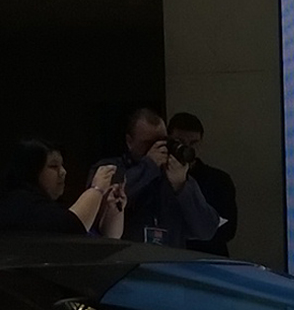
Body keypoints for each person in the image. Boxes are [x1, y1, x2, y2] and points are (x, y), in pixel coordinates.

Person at [101, 106, 219, 248]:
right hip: (126, 261)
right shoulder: (109, 169)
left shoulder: (174, 176)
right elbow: (105, 200)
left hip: (169, 263)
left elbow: (207, 230)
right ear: (129, 141)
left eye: (162, 141)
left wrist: (181, 186)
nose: (157, 148)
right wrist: (148, 166)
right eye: (148, 143)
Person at [0, 139, 117, 235]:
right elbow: (73, 228)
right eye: (53, 166)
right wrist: (97, 189)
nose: (63, 172)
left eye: (62, 165)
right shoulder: (19, 204)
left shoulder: (42, 205)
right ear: (32, 170)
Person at [166, 112, 239, 255]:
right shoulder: (157, 177)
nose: (187, 149)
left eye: (194, 143)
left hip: (209, 258)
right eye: (180, 142)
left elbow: (228, 231)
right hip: (169, 258)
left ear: (201, 142)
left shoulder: (219, 180)